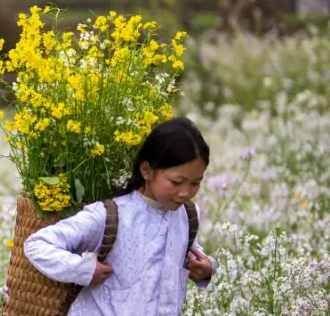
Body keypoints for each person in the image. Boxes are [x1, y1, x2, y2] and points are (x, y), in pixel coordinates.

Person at [24, 117, 218, 316]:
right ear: (146, 170)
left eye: (195, 183)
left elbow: (187, 251)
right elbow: (37, 244)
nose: (186, 192)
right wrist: (83, 270)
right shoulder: (110, 215)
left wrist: (206, 268)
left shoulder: (186, 214)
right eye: (177, 182)